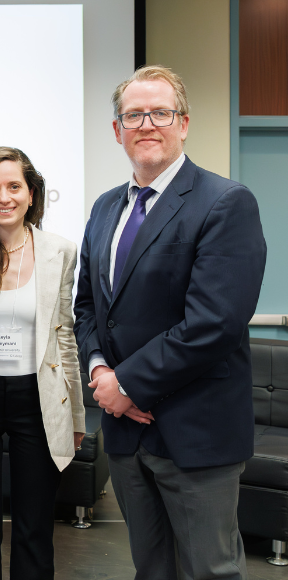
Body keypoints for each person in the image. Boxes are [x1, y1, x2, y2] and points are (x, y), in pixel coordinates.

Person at [74, 65, 266, 579]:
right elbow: (88, 306)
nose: (147, 124)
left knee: (211, 571)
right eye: (134, 115)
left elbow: (214, 323)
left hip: (194, 432)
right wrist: (98, 374)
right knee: (151, 570)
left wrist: (127, 385)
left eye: (160, 112)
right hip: (126, 434)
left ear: (183, 123)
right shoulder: (104, 208)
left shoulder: (225, 202)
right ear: (117, 130)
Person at [0, 147, 85, 579]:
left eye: (14, 186)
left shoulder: (59, 251)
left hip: (38, 401)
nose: (3, 197)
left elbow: (64, 335)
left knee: (35, 529)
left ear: (32, 194)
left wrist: (77, 414)